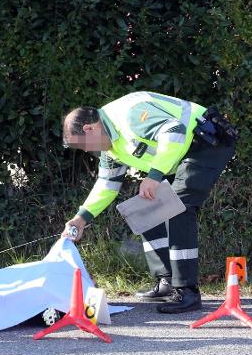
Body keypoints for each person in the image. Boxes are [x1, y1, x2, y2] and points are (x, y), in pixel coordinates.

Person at [61, 91, 237, 313]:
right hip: (178, 157)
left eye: (82, 145)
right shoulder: (110, 147)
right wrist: (81, 218)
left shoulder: (128, 117)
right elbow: (107, 184)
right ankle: (167, 281)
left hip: (205, 143)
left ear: (89, 129)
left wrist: (154, 176)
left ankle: (187, 292)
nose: (86, 151)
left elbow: (174, 131)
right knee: (144, 208)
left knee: (179, 209)